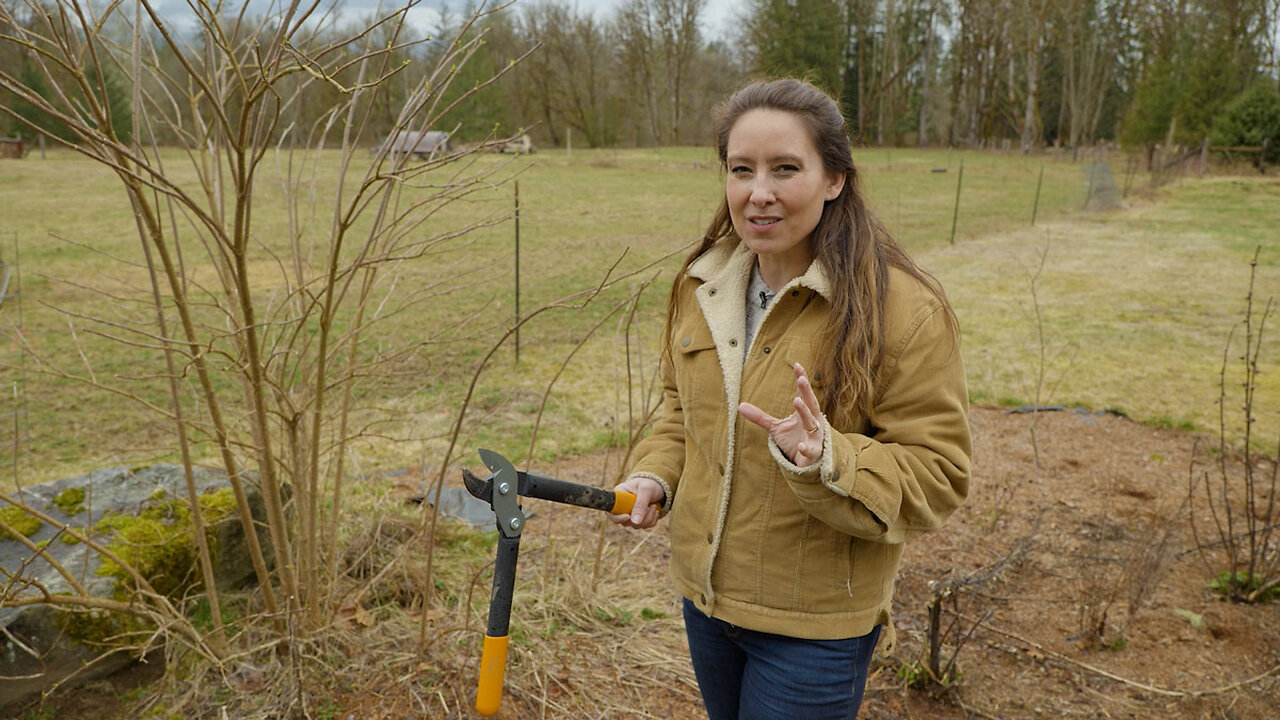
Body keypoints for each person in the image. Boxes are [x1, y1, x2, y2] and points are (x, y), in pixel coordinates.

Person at [609, 77, 972, 720]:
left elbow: (938, 474)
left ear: (834, 178)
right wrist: (652, 475)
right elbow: (679, 410)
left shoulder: (903, 311)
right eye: (741, 169)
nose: (759, 193)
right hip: (706, 601)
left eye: (785, 169)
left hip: (815, 629)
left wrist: (826, 456)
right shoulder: (705, 286)